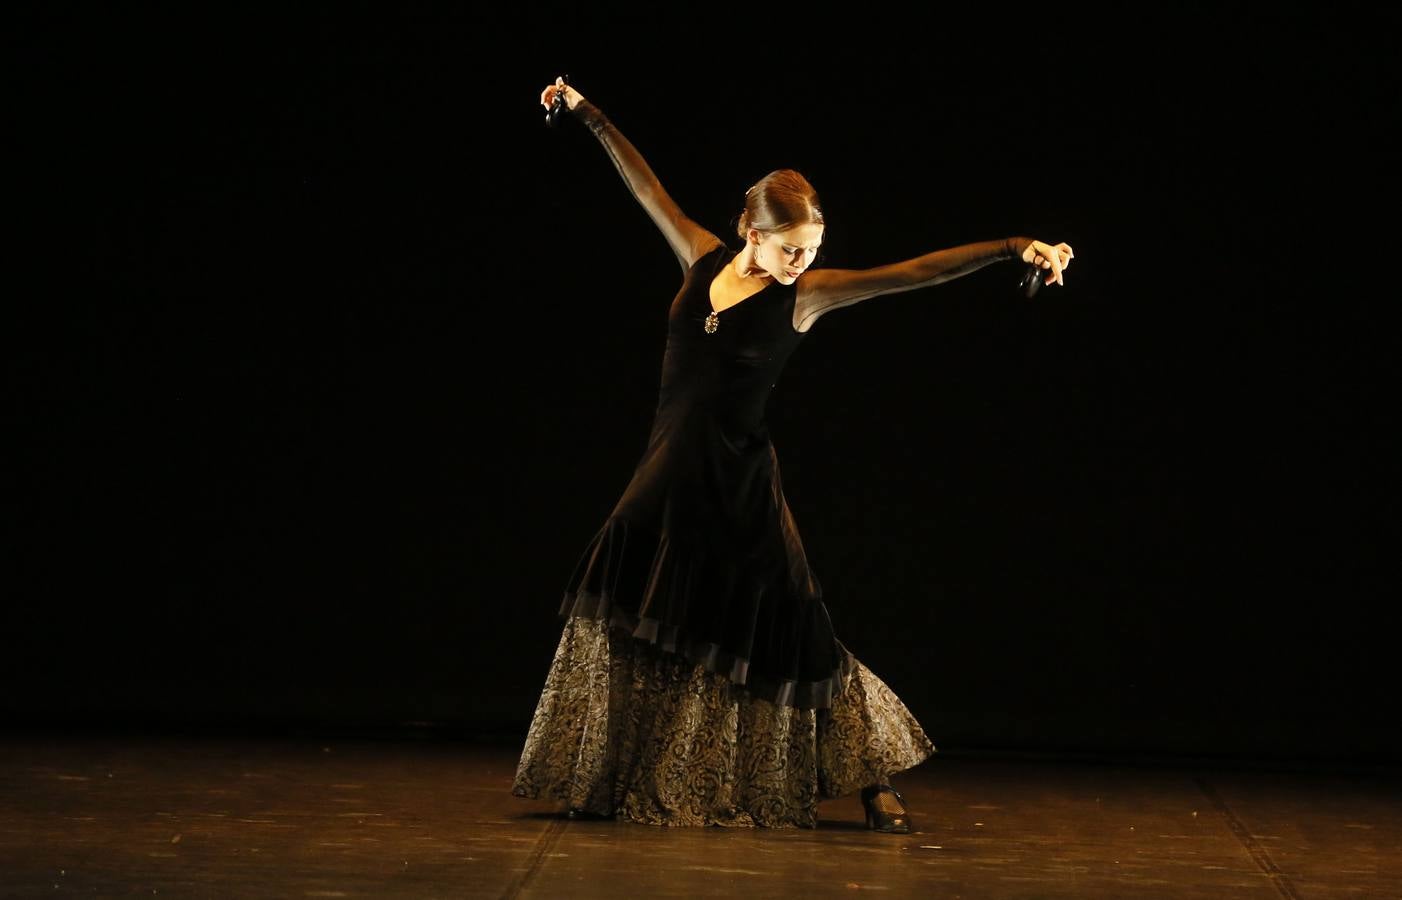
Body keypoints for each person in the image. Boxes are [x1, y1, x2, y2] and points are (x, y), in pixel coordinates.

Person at [512, 76, 1073, 832]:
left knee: (796, 626)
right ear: (752, 232)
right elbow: (644, 187)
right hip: (667, 475)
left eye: (812, 251)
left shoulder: (803, 298)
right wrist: (588, 114)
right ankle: (606, 774)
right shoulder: (700, 257)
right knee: (627, 607)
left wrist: (1014, 247)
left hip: (741, 484)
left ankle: (871, 778)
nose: (802, 263)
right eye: (791, 249)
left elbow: (912, 273)